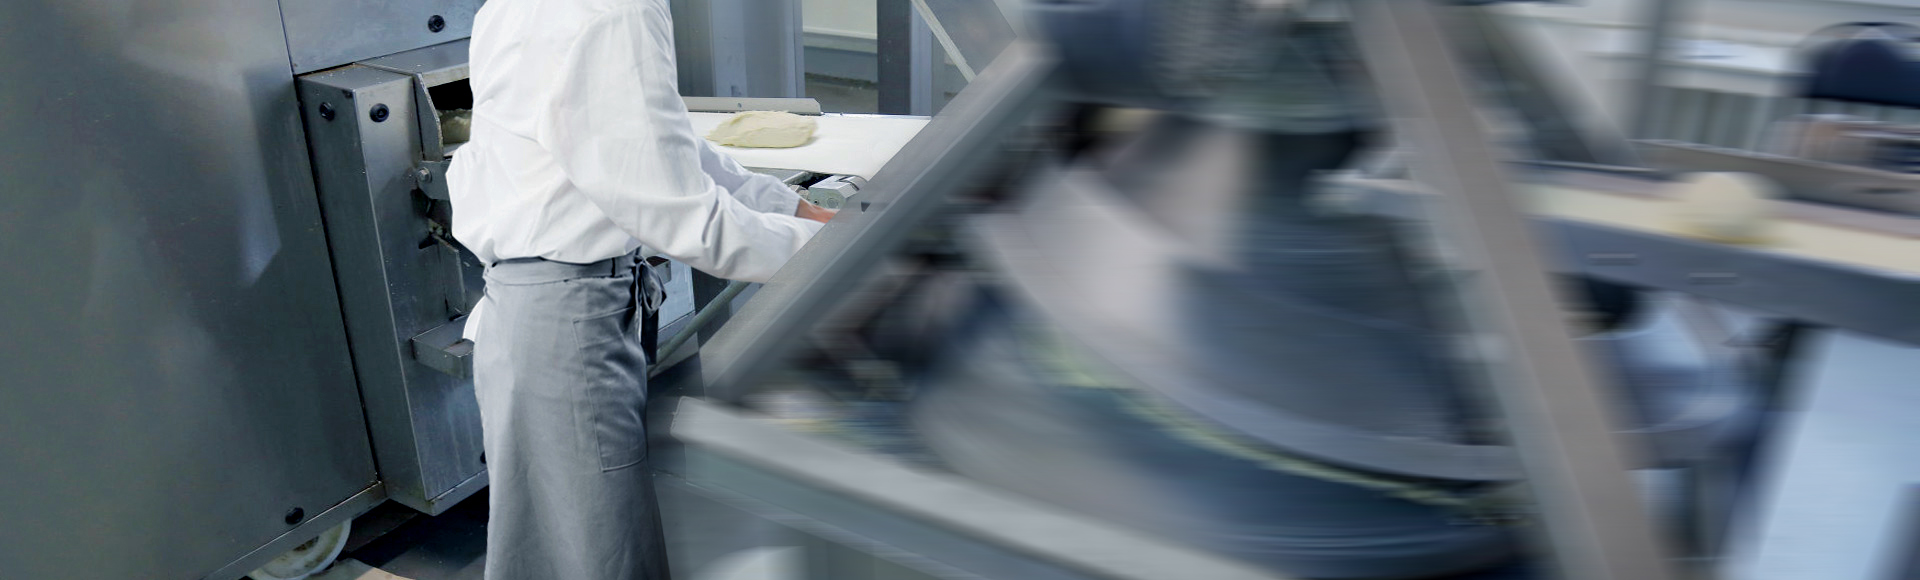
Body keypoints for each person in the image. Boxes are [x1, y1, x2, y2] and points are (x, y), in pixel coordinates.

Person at [446, 0, 835, 578]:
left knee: (557, 550)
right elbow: (686, 220)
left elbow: (656, 145)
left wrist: (798, 211)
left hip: (536, 315)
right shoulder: (615, 11)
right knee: (602, 555)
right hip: (565, 326)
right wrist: (837, 253)